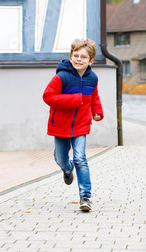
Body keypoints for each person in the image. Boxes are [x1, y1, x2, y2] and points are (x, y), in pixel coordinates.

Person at [43, 38, 103, 212]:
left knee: (80, 158)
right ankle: (67, 169)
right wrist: (75, 100)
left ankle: (85, 196)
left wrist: (97, 111)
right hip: (60, 125)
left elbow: (94, 97)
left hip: (81, 125)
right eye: (75, 55)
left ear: (90, 60)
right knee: (61, 159)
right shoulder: (61, 77)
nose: (78, 59)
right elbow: (48, 97)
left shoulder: (93, 78)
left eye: (83, 57)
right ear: (70, 57)